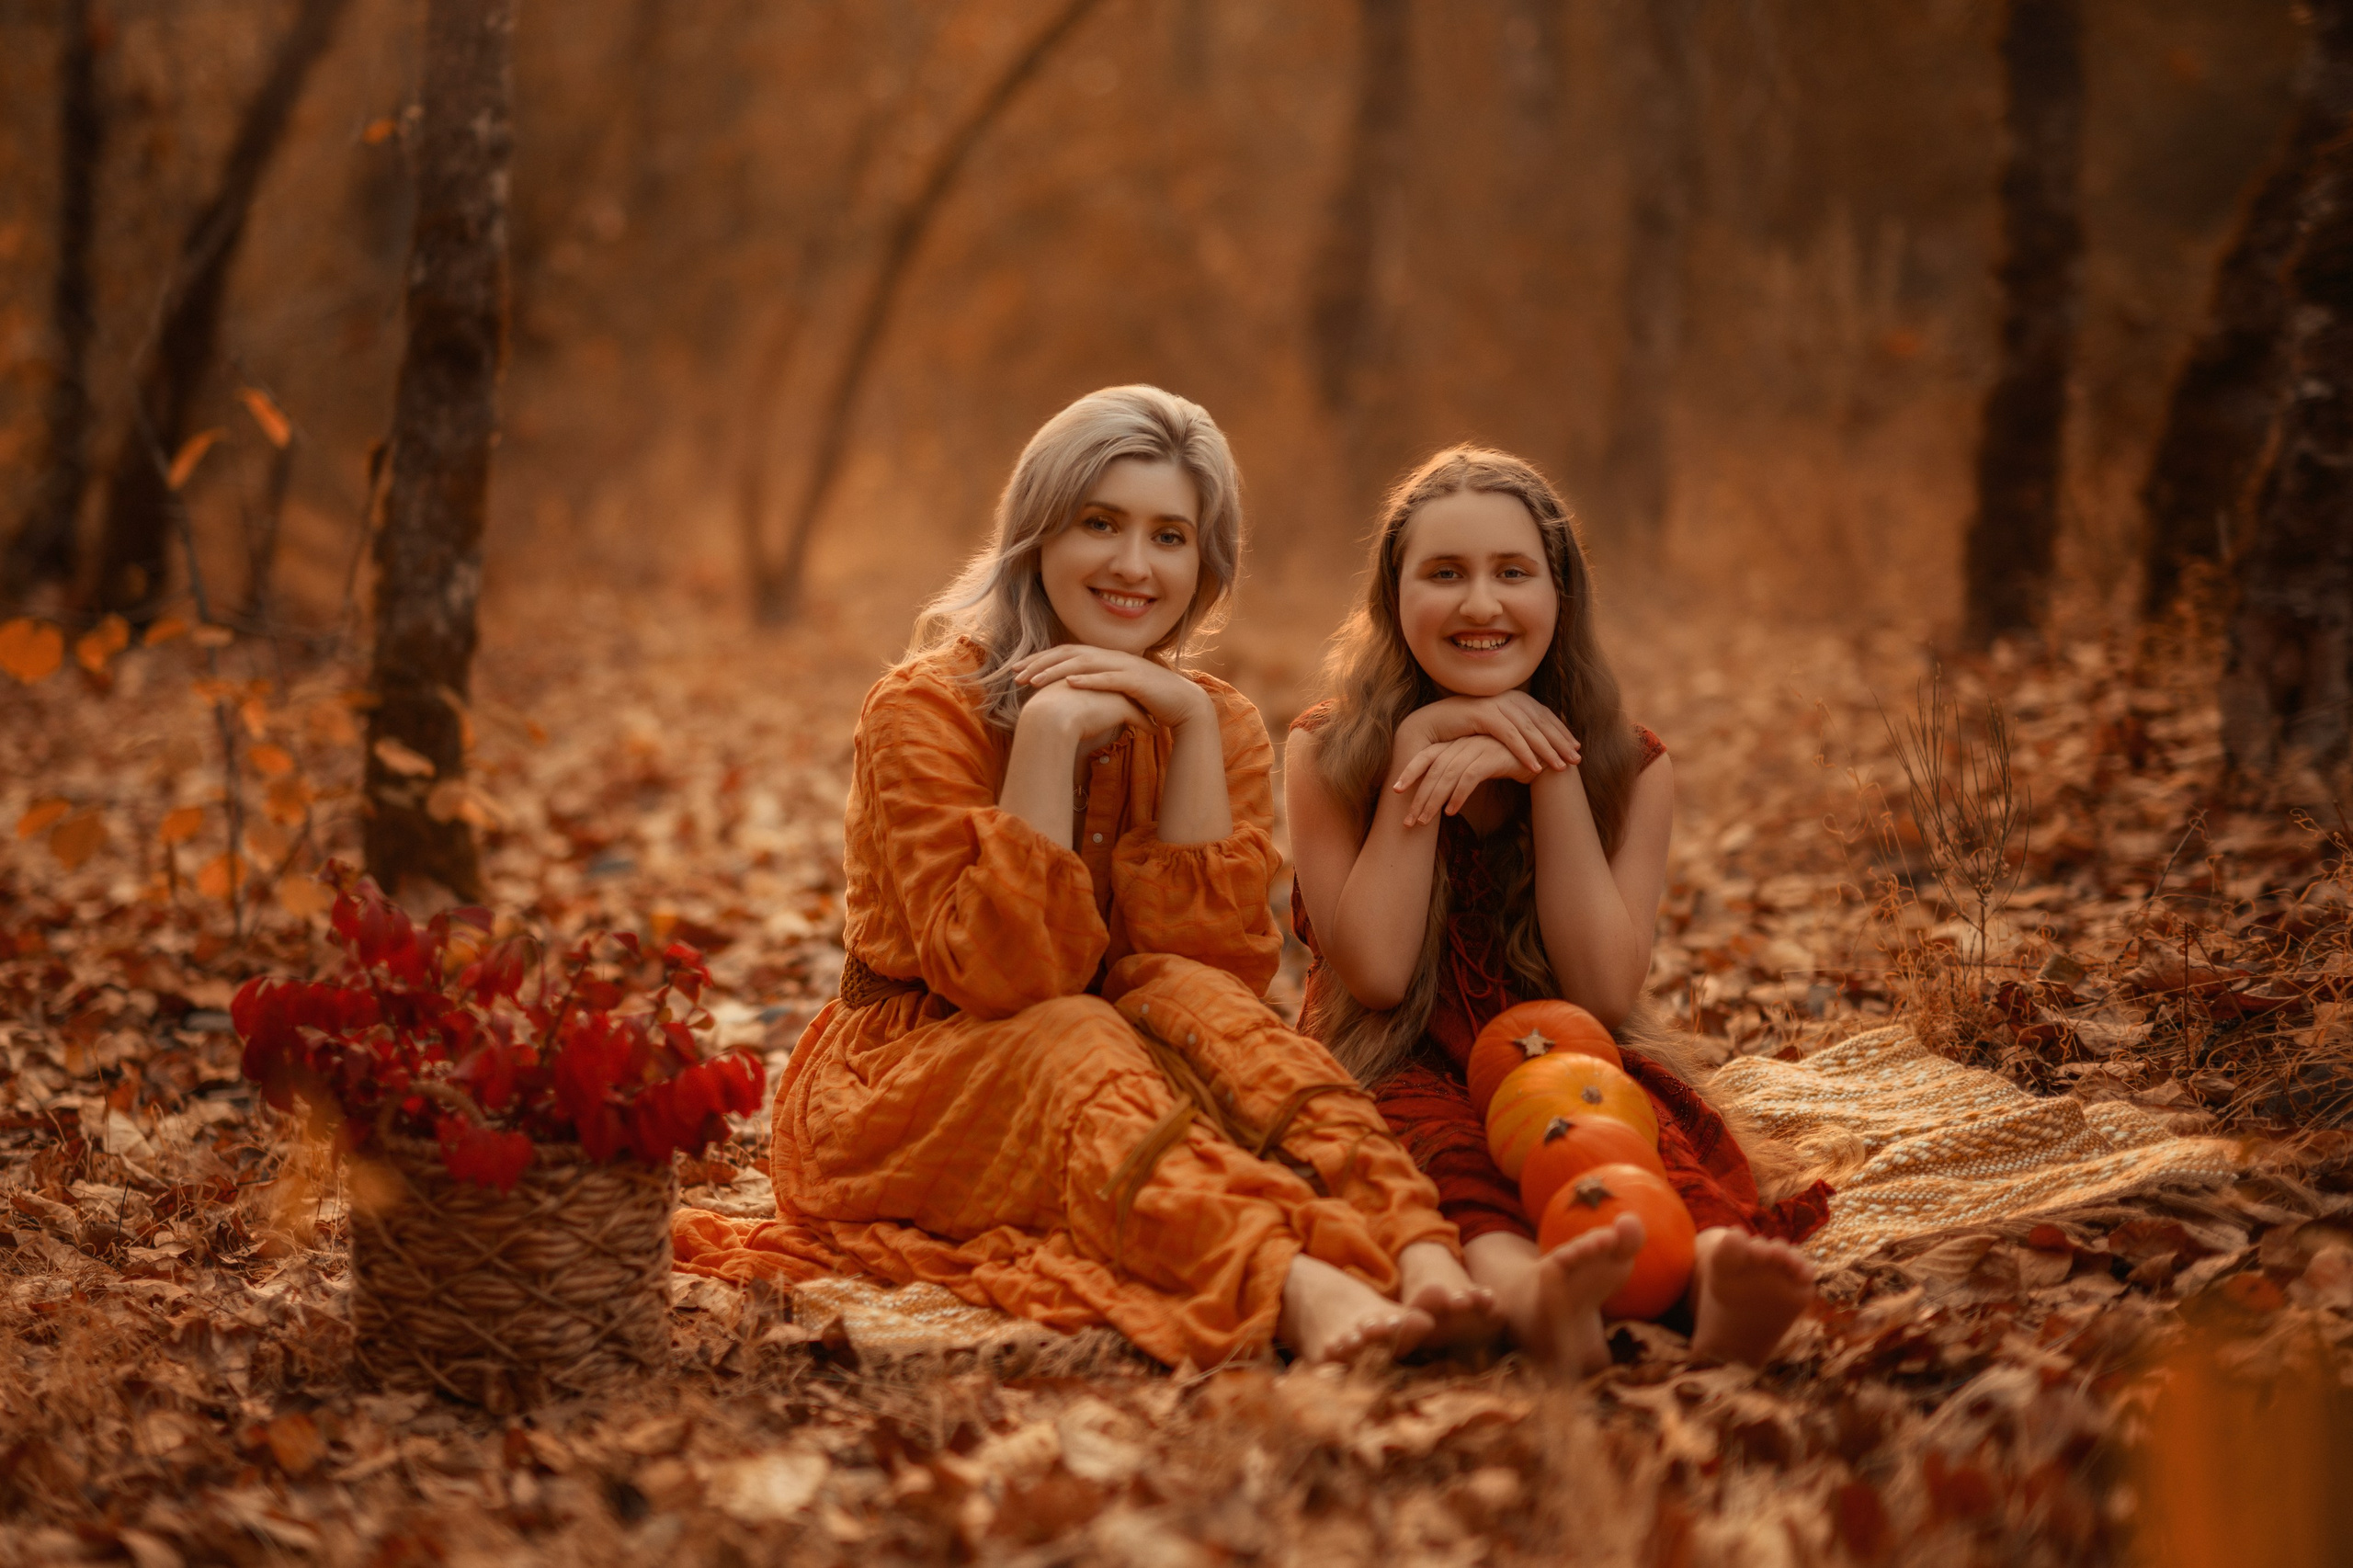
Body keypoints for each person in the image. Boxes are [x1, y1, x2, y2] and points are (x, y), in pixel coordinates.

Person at [674, 386, 1494, 1368]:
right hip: (905, 1081)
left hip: (1122, 1057)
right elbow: (1003, 980)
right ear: (1036, 532)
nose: (1132, 565)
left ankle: (1421, 1254)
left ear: (1204, 562)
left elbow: (1208, 981)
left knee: (1205, 1024)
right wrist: (1049, 739)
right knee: (1068, 1027)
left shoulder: (1218, 718)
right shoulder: (921, 709)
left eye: (1169, 536)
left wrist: (1184, 727)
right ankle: (1285, 1280)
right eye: (1099, 523)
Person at [1284, 445, 1831, 1374]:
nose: (1481, 604)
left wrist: (1552, 773)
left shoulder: (1633, 764)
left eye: (1512, 572)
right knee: (1440, 1160)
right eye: (1444, 573)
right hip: (1390, 1055)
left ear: (1560, 594)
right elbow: (1374, 972)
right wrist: (1418, 747)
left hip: (1572, 1040)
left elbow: (1603, 986)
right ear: (1393, 596)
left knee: (1631, 1132)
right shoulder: (1325, 750)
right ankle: (1533, 1296)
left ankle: (1707, 1276)